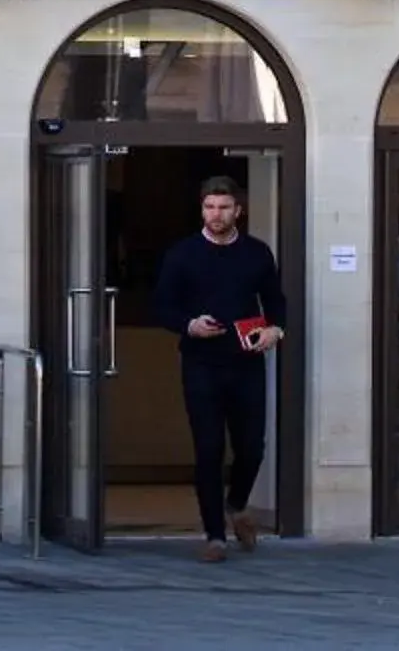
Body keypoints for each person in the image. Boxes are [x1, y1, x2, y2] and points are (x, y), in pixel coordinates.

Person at [152, 173, 286, 562]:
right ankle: (215, 536)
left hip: (246, 362)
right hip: (201, 364)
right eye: (210, 207)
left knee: (252, 448)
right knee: (208, 449)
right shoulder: (182, 254)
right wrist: (188, 325)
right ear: (202, 210)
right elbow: (162, 306)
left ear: (238, 211)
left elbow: (275, 301)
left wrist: (275, 329)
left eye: (224, 207)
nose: (217, 214)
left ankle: (237, 503)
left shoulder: (257, 254)